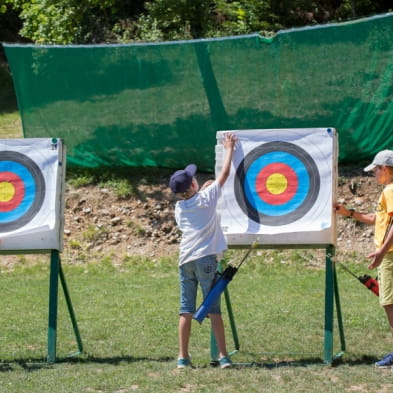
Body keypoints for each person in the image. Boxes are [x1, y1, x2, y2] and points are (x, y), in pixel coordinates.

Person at [169, 132, 238, 369]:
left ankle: (182, 357)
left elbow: (196, 201)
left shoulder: (179, 207)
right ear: (195, 184)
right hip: (206, 260)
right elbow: (225, 174)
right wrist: (229, 148)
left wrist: (205, 190)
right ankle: (223, 356)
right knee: (213, 308)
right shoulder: (207, 196)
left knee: (185, 309)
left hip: (184, 260)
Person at [335, 150, 393, 369]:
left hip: (389, 255)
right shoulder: (387, 191)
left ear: (385, 169)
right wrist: (348, 212)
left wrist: (381, 251)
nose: (373, 175)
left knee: (390, 304)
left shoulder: (391, 190)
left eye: (376, 170)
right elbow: (376, 219)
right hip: (388, 254)